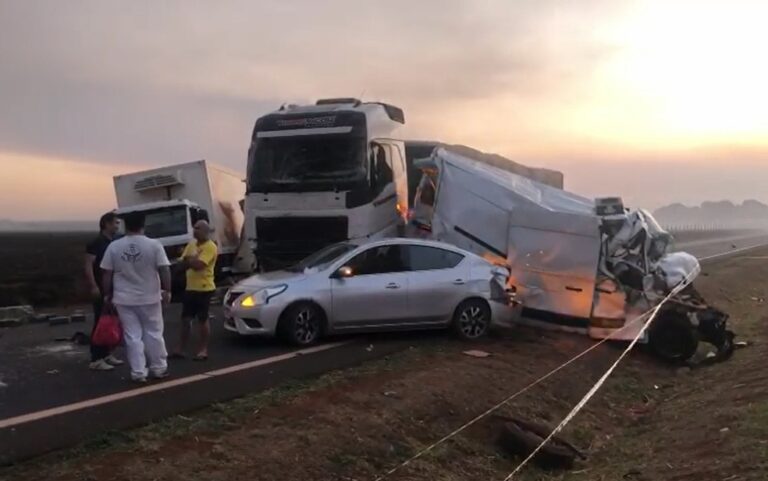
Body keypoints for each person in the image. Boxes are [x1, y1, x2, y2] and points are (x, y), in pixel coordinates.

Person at [100, 211, 172, 383]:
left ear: (126, 225)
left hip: (124, 299)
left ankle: (138, 372)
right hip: (150, 297)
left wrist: (107, 294)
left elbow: (107, 273)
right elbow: (164, 269)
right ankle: (158, 367)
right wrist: (167, 290)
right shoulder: (154, 245)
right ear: (143, 225)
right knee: (154, 333)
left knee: (132, 336)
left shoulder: (114, 246)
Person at [171, 220, 218, 361]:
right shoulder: (192, 244)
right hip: (190, 287)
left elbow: (199, 265)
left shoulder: (210, 247)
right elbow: (181, 262)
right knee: (185, 319)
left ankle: (202, 350)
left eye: (198, 228)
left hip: (204, 288)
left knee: (202, 319)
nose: (194, 230)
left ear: (205, 231)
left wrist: (189, 260)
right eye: (194, 228)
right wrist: (190, 260)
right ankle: (180, 349)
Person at [84, 212, 124, 371]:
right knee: (100, 322)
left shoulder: (114, 242)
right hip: (101, 288)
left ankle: (107, 353)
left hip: (114, 288)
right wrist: (93, 285)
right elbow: (88, 265)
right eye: (115, 223)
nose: (117, 226)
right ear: (106, 224)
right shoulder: (96, 243)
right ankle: (96, 358)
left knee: (112, 321)